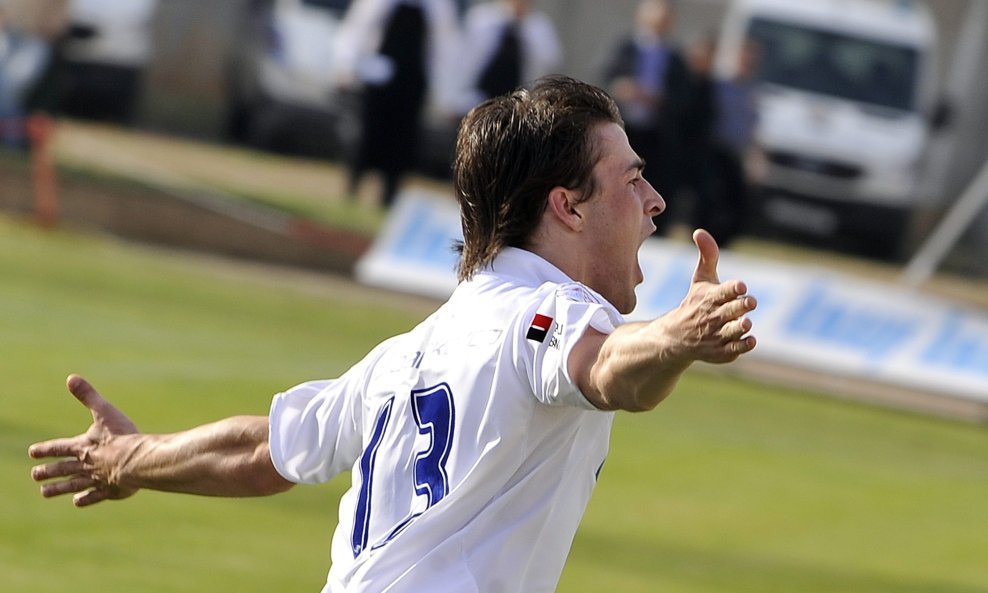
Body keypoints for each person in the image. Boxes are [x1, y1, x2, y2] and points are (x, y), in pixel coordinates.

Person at [29, 76, 758, 593]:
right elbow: (607, 369)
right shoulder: (542, 315)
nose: (655, 200)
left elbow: (262, 452)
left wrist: (130, 458)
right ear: (567, 206)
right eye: (632, 180)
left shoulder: (409, 353)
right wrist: (675, 335)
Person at [334, 0, 459, 208]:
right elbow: (358, 27)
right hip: (378, 77)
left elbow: (445, 47)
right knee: (367, 134)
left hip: (412, 82)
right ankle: (353, 187)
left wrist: (445, 94)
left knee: (401, 141)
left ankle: (389, 193)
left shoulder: (439, 5)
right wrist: (347, 66)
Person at [601, 0, 691, 235]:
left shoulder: (676, 59)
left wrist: (660, 99)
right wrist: (623, 88)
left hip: (657, 135)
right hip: (624, 130)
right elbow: (605, 79)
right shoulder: (625, 48)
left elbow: (684, 98)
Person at [452, 0, 562, 114]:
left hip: (519, 101)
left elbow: (551, 62)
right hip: (476, 98)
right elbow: (461, 60)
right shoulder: (481, 18)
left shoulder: (539, 27)